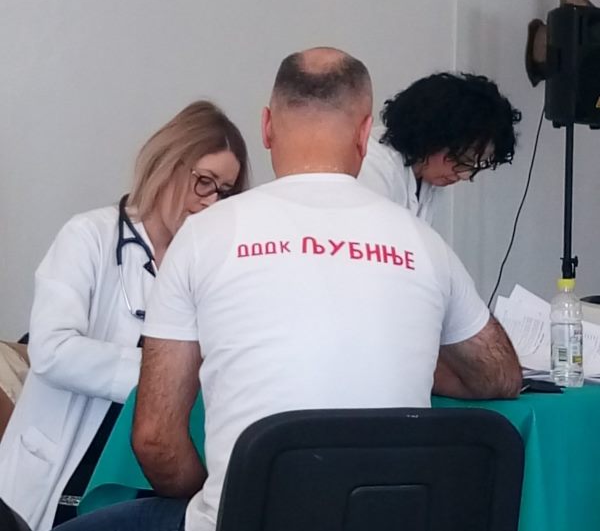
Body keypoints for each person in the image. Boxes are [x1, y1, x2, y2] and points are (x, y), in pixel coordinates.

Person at [56, 48, 520, 531]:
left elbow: (155, 439)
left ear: (266, 128)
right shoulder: (425, 244)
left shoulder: (202, 235)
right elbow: (500, 376)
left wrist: (219, 501)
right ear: (365, 133)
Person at [0, 101, 248, 531]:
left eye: (225, 192)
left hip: (143, 475)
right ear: (168, 164)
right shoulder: (90, 237)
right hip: (58, 465)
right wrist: (162, 377)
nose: (211, 202)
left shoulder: (209, 270)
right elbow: (52, 350)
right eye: (204, 182)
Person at [358, 72, 522, 224]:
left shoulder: (428, 177)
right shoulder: (373, 168)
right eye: (463, 160)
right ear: (431, 138)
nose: (465, 175)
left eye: (474, 165)